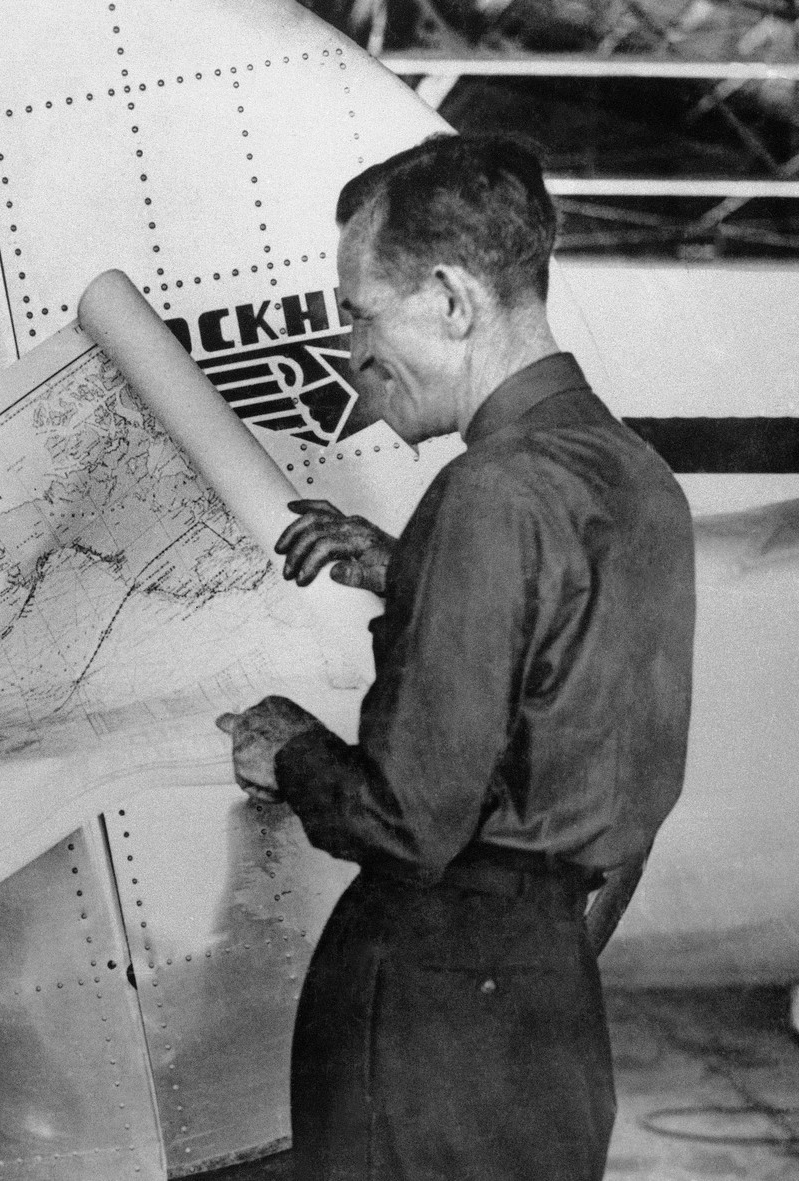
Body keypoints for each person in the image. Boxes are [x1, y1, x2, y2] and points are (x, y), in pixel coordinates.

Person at [217, 134, 695, 1181]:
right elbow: (576, 665)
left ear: (448, 298)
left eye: (358, 310)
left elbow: (408, 820)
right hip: (551, 1007)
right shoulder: (636, 475)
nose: (352, 351)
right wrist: (407, 572)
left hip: (429, 1014)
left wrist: (288, 747)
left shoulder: (487, 494)